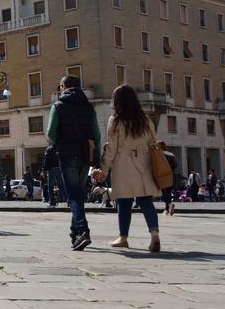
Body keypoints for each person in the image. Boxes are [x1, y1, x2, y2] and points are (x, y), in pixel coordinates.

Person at [93, 85, 162, 252]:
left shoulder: (115, 121)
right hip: (144, 162)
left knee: (124, 202)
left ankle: (123, 237)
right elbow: (154, 142)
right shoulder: (145, 119)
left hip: (123, 163)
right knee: (146, 201)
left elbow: (111, 148)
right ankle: (154, 235)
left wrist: (104, 169)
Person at [46, 75, 101, 251]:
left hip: (67, 155)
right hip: (85, 155)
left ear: (63, 87)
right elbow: (97, 135)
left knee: (74, 196)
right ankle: (75, 234)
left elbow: (50, 132)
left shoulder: (58, 106)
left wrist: (58, 143)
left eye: (60, 86)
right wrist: (97, 159)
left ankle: (83, 229)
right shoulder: (89, 107)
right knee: (77, 194)